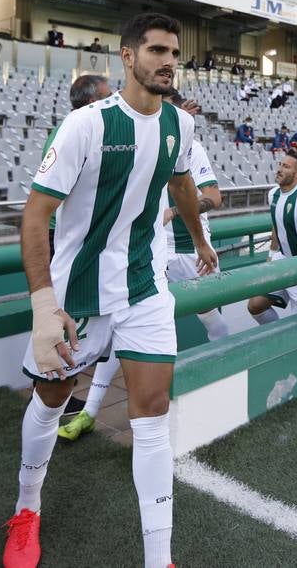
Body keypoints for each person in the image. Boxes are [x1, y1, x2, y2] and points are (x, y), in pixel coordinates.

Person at [5, 13, 214, 568]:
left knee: (152, 415)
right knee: (50, 403)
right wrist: (43, 305)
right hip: (77, 297)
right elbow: (33, 219)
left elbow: (183, 185)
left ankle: (158, 558)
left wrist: (198, 240)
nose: (169, 61)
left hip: (144, 290)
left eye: (174, 52)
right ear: (127, 56)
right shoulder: (86, 126)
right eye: (156, 51)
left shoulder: (180, 126)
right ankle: (27, 510)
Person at [59, 89, 229, 444]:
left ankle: (225, 383)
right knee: (118, 332)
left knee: (212, 321)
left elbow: (214, 197)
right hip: (151, 257)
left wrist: (179, 211)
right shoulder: (131, 145)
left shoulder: (190, 148)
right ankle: (90, 412)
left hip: (192, 255)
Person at [247, 151, 297, 324]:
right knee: (256, 305)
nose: (279, 169)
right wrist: (271, 255)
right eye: (280, 164)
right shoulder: (273, 194)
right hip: (282, 261)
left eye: (286, 166)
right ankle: (276, 334)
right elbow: (277, 226)